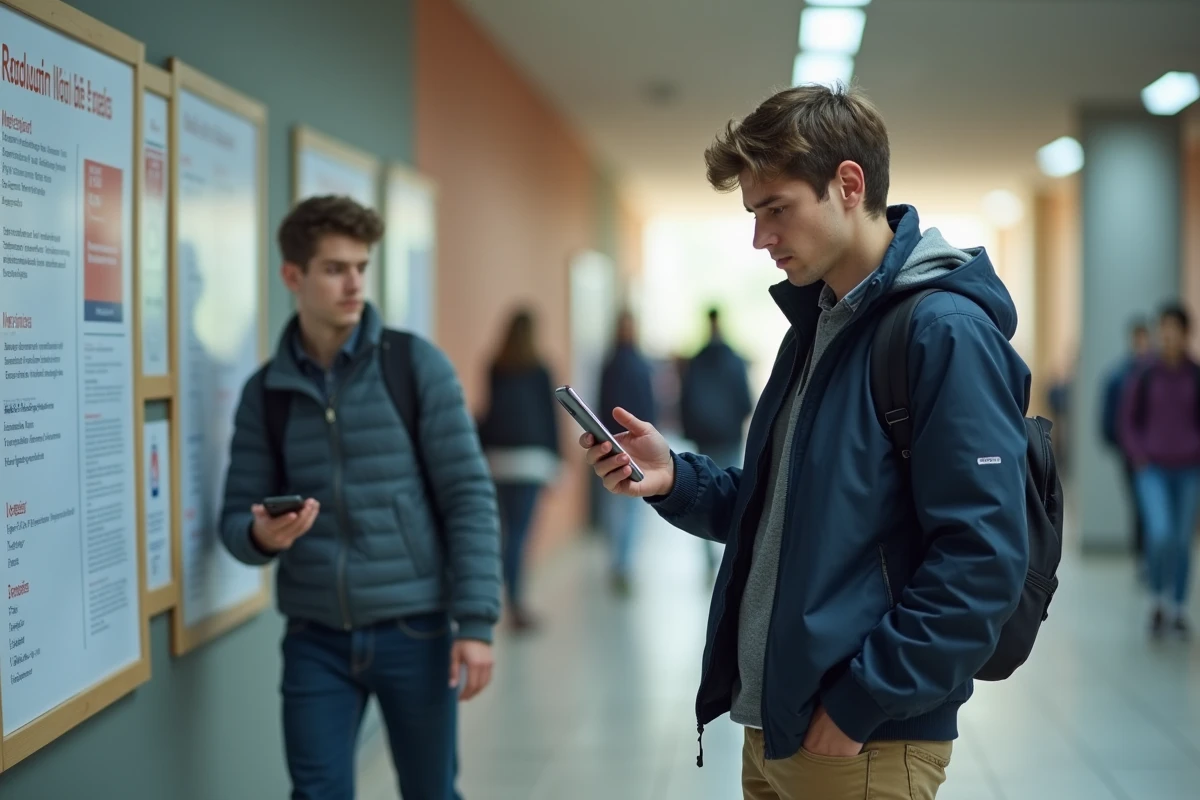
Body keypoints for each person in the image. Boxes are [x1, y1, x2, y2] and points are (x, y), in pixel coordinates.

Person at [579, 83, 1029, 799]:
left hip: (860, 744)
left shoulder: (942, 332)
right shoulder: (818, 328)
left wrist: (858, 705)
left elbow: (982, 558)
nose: (760, 238)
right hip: (777, 724)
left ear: (848, 184)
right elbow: (785, 514)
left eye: (775, 209)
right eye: (753, 214)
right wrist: (675, 478)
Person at [218, 195, 501, 800]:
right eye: (334, 268)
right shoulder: (265, 392)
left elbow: (469, 496)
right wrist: (259, 536)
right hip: (314, 636)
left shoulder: (414, 365)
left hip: (415, 631)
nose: (354, 284)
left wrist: (475, 622)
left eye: (361, 267)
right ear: (293, 276)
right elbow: (234, 516)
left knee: (432, 792)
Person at [477, 307, 562, 631]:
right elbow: (548, 417)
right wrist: (557, 460)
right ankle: (515, 604)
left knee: (504, 534)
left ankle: (498, 600)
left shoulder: (496, 365)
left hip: (498, 459)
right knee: (519, 536)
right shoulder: (540, 368)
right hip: (531, 461)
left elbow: (489, 411)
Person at [1119, 303, 1200, 637]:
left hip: (1189, 469)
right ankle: (1156, 601)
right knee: (1161, 533)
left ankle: (1178, 607)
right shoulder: (1145, 373)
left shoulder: (1195, 374)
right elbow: (1127, 420)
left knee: (1182, 540)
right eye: (1163, 327)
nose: (1167, 334)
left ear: (1185, 333)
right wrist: (1138, 455)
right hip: (1152, 469)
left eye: (1174, 328)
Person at [680, 307, 754, 576]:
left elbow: (685, 400)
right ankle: (731, 554)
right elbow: (746, 400)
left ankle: (709, 558)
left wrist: (692, 429)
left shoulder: (696, 360)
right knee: (733, 489)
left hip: (705, 436)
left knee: (704, 488)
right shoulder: (734, 359)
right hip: (728, 435)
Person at [598, 308, 657, 595]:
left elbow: (649, 402)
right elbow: (600, 404)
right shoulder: (611, 364)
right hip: (612, 442)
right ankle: (619, 561)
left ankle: (624, 563)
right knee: (616, 504)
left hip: (637, 444)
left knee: (631, 504)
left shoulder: (641, 363)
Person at [1100, 319, 1152, 560]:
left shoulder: (1158, 375)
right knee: (1139, 505)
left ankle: (1151, 555)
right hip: (1130, 453)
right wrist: (1121, 444)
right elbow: (1109, 416)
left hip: (1159, 452)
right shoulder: (1119, 376)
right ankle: (1142, 555)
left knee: (1151, 506)